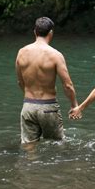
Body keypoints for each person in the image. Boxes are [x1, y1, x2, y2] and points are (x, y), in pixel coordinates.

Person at [15, 16, 78, 147]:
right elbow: (67, 85)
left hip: (28, 106)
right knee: (56, 146)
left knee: (28, 146)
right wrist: (74, 105)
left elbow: (20, 82)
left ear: (35, 32)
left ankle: (29, 166)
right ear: (51, 33)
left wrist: (30, 99)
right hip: (48, 107)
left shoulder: (21, 52)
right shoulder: (55, 55)